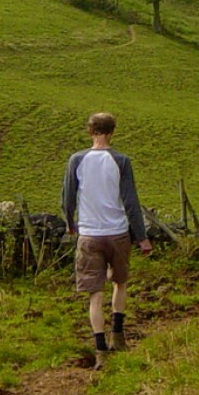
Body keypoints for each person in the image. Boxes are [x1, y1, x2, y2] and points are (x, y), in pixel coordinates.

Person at [62, 112, 152, 355]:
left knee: (95, 294)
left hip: (89, 234)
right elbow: (131, 202)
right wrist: (142, 237)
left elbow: (68, 199)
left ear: (90, 132)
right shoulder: (121, 161)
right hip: (118, 233)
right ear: (112, 132)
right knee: (119, 283)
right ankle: (118, 335)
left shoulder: (76, 160)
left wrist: (71, 224)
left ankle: (100, 349)